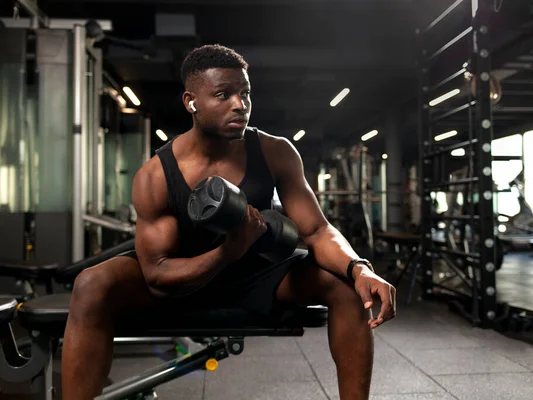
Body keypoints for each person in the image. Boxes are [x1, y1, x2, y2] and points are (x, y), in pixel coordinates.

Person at [61, 44, 397, 400]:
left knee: (346, 286)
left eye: (245, 93)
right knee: (91, 283)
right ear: (191, 102)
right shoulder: (156, 175)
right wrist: (229, 250)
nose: (240, 104)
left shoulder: (274, 151)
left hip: (257, 273)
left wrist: (359, 269)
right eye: (223, 95)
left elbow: (316, 230)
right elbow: (158, 276)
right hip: (184, 277)